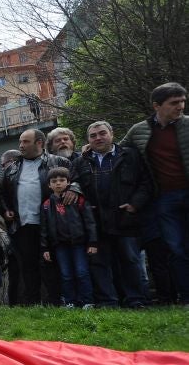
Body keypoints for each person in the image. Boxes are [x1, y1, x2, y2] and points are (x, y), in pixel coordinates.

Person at [120, 82, 189, 305]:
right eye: (174, 103)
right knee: (176, 248)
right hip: (165, 199)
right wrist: (89, 149)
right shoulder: (139, 130)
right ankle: (186, 297)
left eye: (183, 101)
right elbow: (119, 153)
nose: (181, 106)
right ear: (157, 106)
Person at [73, 121, 151, 308]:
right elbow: (75, 186)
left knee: (130, 261)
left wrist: (134, 204)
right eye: (93, 136)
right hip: (96, 222)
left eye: (102, 133)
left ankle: (136, 300)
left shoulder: (130, 155)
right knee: (99, 264)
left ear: (112, 134)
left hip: (125, 218)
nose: (98, 138)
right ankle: (108, 301)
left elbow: (146, 183)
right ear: (88, 140)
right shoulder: (80, 162)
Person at [0, 128, 73, 305]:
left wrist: (74, 189)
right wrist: (6, 209)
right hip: (23, 225)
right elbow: (3, 193)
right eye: (20, 142)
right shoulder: (12, 167)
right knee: (28, 266)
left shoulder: (58, 162)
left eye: (25, 142)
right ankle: (32, 304)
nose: (21, 146)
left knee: (51, 264)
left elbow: (75, 181)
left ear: (39, 143)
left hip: (51, 224)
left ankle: (56, 302)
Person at [41, 167, 98, 308]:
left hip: (78, 243)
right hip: (60, 246)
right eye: (54, 181)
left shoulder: (78, 200)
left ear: (69, 182)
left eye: (62, 180)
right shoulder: (46, 205)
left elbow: (90, 222)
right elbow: (44, 229)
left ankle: (88, 301)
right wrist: (45, 248)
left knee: (82, 272)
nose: (58, 183)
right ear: (49, 185)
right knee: (66, 275)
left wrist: (92, 242)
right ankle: (70, 301)